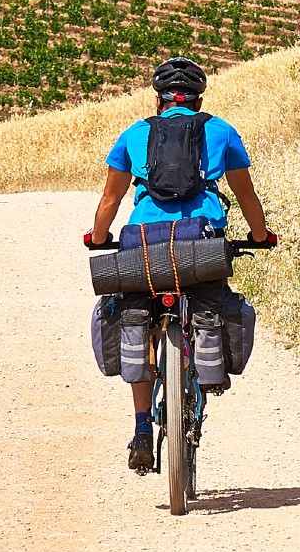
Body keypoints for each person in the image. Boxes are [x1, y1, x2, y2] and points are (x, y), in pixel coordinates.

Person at [84, 57, 274, 474]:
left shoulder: (135, 134)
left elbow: (110, 200)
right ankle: (206, 371)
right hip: (200, 243)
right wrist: (260, 236)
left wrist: (98, 238)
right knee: (211, 305)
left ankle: (140, 431)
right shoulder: (220, 130)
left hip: (143, 245)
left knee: (135, 316)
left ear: (158, 100)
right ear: (199, 98)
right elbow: (246, 195)